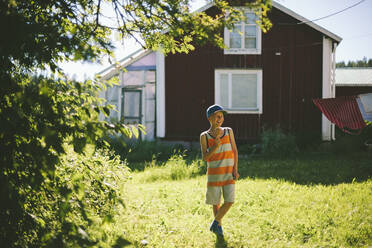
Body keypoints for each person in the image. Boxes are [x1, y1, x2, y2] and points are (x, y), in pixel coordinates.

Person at [200, 104, 239, 237]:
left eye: (221, 117)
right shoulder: (204, 136)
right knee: (216, 203)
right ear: (210, 118)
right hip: (214, 175)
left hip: (228, 173)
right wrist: (215, 146)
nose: (220, 119)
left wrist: (235, 168)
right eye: (217, 116)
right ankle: (219, 228)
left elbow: (234, 150)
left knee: (230, 201)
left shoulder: (228, 131)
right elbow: (205, 157)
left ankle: (215, 222)